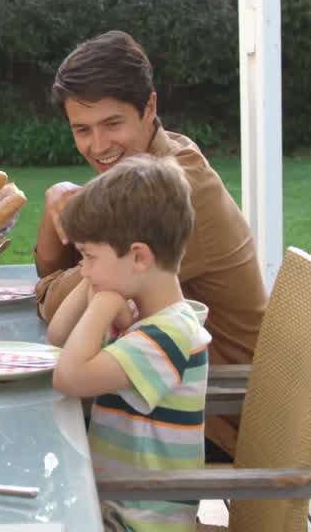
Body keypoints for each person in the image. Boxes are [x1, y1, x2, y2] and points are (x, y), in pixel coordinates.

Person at [34, 31, 266, 457]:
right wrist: (57, 204)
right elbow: (67, 284)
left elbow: (55, 300)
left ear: (150, 109)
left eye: (112, 124)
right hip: (155, 391)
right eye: (81, 130)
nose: (98, 146)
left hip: (212, 414)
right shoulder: (143, 173)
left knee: (30, 428)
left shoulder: (173, 189)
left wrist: (63, 273)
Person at [47, 155, 211, 532]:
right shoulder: (143, 317)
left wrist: (103, 303)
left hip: (137, 520)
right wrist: (96, 283)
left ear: (139, 256)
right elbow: (58, 337)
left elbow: (67, 377)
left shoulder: (168, 335)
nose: (83, 270)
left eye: (89, 257)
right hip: (110, 503)